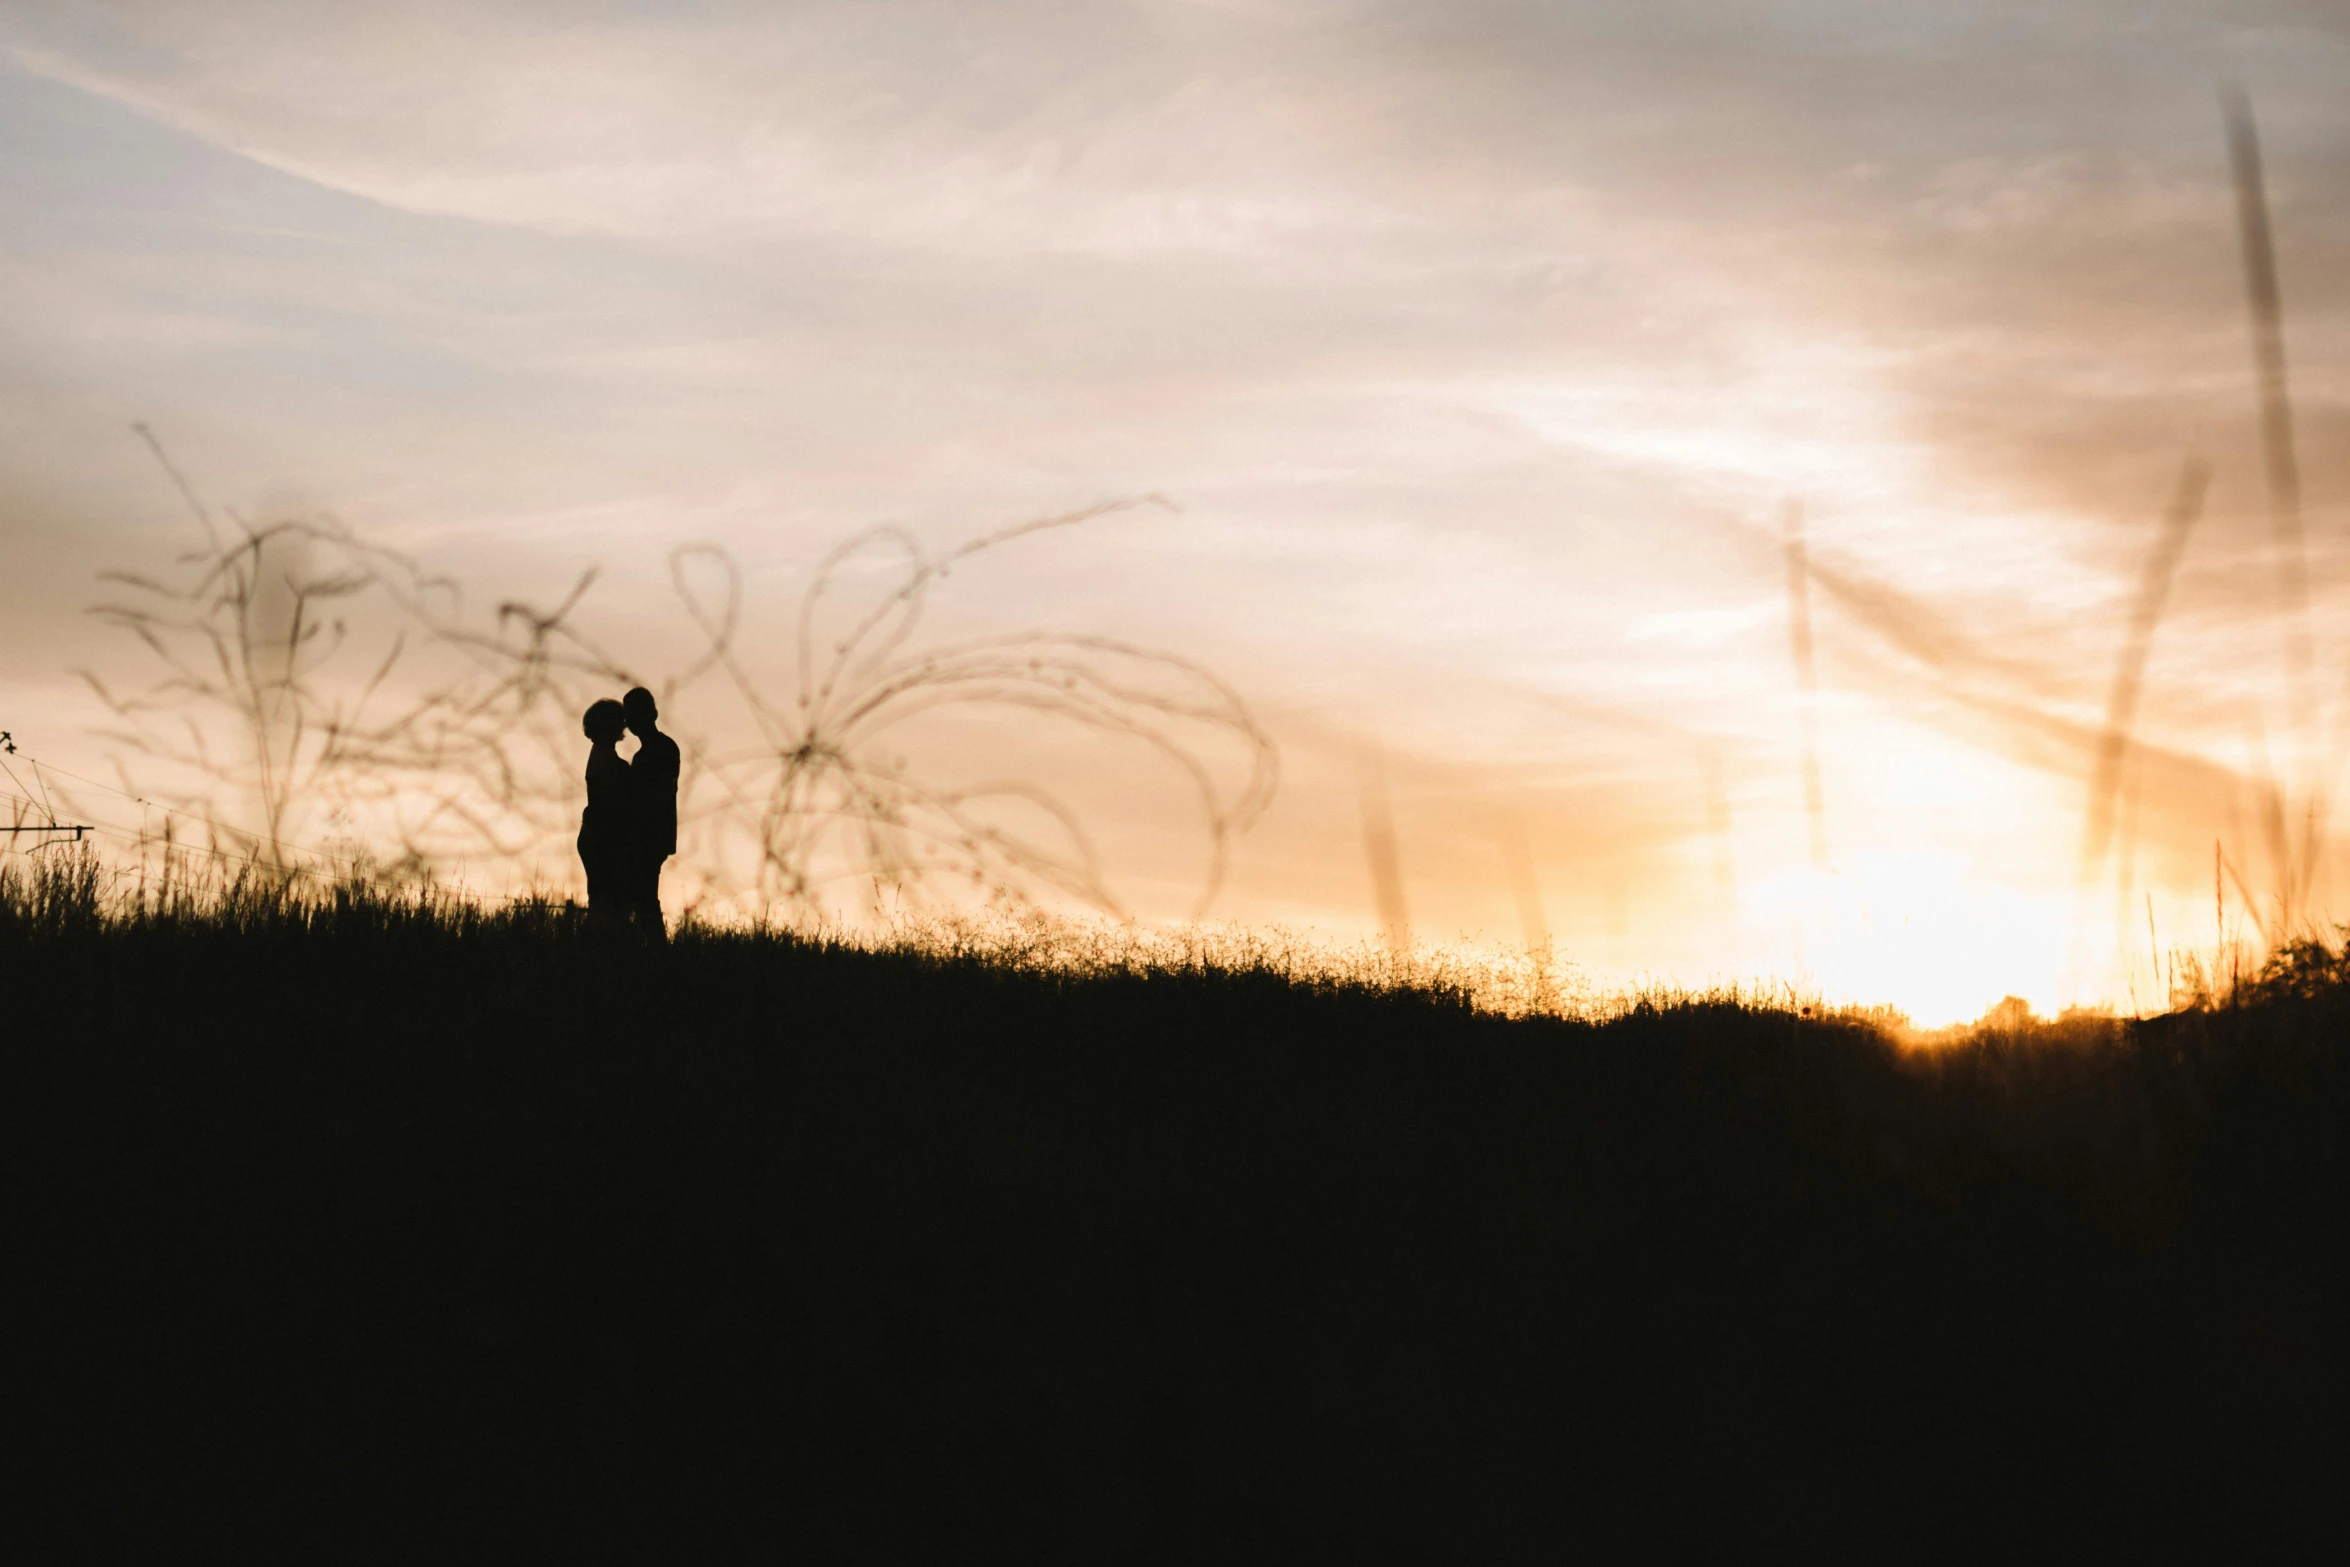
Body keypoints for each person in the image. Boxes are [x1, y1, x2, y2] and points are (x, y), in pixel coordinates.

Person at [621, 686, 680, 927]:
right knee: (642, 898)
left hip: (650, 836)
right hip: (648, 836)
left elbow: (655, 796)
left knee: (643, 899)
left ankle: (656, 953)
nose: (632, 721)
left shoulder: (661, 750)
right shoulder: (650, 753)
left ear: (652, 715)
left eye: (636, 714)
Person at [576, 698, 635, 924]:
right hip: (603, 839)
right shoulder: (607, 759)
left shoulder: (601, 755)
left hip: (598, 836)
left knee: (603, 903)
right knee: (608, 905)